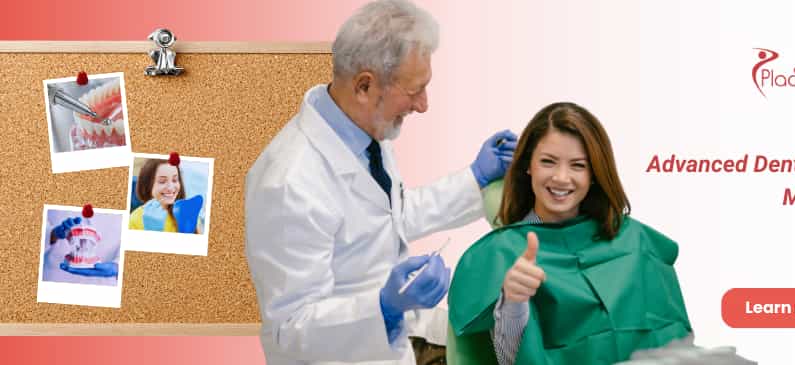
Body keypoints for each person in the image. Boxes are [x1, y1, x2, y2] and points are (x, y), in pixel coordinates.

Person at [243, 1, 517, 364]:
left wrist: (475, 177)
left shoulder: (364, 134)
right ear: (364, 86)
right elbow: (289, 333)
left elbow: (388, 217)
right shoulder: (287, 183)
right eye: (415, 90)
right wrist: (384, 307)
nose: (423, 105)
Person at [447, 102, 694, 364]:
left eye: (578, 165)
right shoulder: (502, 253)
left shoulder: (634, 239)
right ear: (528, 165)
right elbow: (509, 360)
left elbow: (673, 337)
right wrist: (512, 303)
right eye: (548, 162)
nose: (562, 178)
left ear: (594, 173)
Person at [129, 157, 204, 234]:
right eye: (162, 181)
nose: (171, 188)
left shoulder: (187, 211)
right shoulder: (134, 220)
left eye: (175, 180)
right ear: (147, 185)